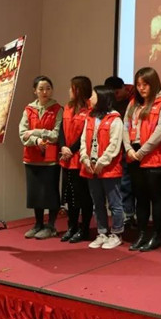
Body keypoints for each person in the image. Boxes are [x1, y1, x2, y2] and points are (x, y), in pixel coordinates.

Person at [124, 67, 161, 252]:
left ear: (154, 84)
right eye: (138, 84)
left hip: (154, 157)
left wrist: (142, 151)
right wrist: (128, 148)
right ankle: (142, 234)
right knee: (140, 198)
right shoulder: (133, 103)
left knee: (155, 197)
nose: (141, 88)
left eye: (145, 84)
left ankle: (156, 235)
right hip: (134, 154)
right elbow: (125, 126)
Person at [80, 85, 126, 249]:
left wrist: (101, 162)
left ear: (102, 98)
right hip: (90, 168)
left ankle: (117, 233)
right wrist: (85, 159)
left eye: (93, 96)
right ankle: (102, 232)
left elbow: (114, 144)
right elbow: (83, 140)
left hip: (109, 168)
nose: (90, 99)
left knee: (115, 203)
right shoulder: (90, 117)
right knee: (97, 203)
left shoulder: (115, 119)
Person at [19, 76, 63, 240]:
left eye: (48, 88)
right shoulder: (28, 109)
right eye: (41, 89)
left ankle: (51, 226)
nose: (45, 92)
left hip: (50, 159)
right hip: (31, 157)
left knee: (50, 193)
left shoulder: (58, 109)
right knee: (35, 193)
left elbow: (56, 135)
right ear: (35, 91)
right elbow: (22, 134)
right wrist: (36, 140)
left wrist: (36, 132)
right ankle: (38, 224)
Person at [58, 76, 93, 243]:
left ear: (78, 90)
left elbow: (85, 135)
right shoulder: (68, 107)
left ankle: (84, 229)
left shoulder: (90, 109)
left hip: (80, 158)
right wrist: (63, 147)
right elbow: (61, 130)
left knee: (82, 196)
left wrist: (71, 150)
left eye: (71, 88)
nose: (69, 91)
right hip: (66, 158)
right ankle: (71, 226)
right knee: (70, 196)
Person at [104, 76, 136, 226]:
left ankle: (129, 214)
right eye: (113, 94)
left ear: (124, 88)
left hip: (133, 147)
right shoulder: (109, 102)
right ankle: (125, 214)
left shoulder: (135, 99)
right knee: (121, 183)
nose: (115, 96)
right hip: (116, 147)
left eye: (117, 92)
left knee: (129, 183)